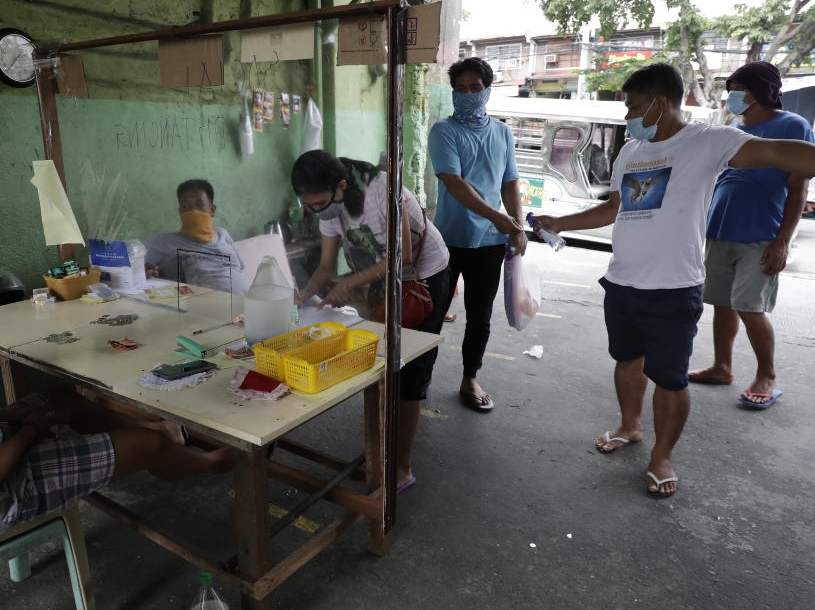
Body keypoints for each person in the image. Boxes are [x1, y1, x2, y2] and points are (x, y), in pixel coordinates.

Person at [0, 182, 232, 539]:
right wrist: (30, 430)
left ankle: (157, 434)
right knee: (143, 446)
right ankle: (202, 460)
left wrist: (8, 419)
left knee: (63, 398)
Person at [530, 63, 815, 498]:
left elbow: (777, 154)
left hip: (672, 287)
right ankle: (631, 426)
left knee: (671, 378)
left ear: (660, 104)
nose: (628, 116)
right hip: (622, 282)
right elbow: (613, 209)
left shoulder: (708, 141)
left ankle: (661, 456)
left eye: (634, 106)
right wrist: (560, 221)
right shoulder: (630, 151)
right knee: (627, 361)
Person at [291, 150, 450, 493]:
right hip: (387, 280)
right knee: (387, 364)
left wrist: (351, 282)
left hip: (422, 279)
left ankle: (402, 467)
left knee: (408, 373)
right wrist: (301, 298)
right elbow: (325, 268)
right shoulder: (331, 210)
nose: (315, 210)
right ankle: (387, 440)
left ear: (341, 186)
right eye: (309, 204)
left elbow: (403, 256)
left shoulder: (383, 191)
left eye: (318, 203)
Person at [688, 61, 813, 408]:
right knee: (722, 303)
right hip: (720, 228)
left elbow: (798, 189)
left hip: (761, 233)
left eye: (737, 90)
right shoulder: (733, 127)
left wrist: (783, 241)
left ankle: (766, 375)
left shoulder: (793, 125)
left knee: (751, 307)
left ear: (757, 92)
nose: (732, 96)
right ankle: (721, 367)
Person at [427, 57, 526, 413]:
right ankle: (419, 376)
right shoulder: (444, 131)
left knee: (480, 316)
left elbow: (510, 181)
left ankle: (470, 377)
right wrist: (498, 217)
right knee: (432, 313)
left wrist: (516, 225)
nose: (467, 94)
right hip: (447, 241)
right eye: (460, 88)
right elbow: (453, 183)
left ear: (487, 90)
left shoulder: (502, 132)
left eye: (475, 88)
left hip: (490, 244)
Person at [145, 179, 250, 294]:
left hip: (251, 301)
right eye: (186, 206)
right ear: (180, 211)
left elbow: (239, 270)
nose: (193, 211)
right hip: (209, 307)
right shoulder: (163, 242)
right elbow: (131, 265)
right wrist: (144, 271)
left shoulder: (222, 234)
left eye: (199, 205)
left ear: (212, 210)